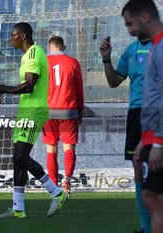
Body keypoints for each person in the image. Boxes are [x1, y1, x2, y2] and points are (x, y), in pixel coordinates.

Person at [0, 22, 67, 219]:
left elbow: (30, 85)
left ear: (23, 36)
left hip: (34, 111)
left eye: (13, 35)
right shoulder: (26, 56)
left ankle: (56, 193)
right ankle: (18, 208)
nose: (10, 39)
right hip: (26, 111)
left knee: (21, 156)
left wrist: (2, 88)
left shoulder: (34, 53)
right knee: (18, 158)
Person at [100, 20, 152, 233]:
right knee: (138, 168)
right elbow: (114, 82)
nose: (130, 28)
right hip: (136, 115)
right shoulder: (131, 50)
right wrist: (106, 59)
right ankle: (145, 227)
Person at [122, 1, 163, 233]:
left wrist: (157, 141)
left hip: (159, 137)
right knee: (150, 195)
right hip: (150, 134)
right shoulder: (156, 47)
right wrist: (144, 141)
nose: (129, 30)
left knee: (155, 199)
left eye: (130, 23)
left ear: (145, 17)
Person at [42, 36, 84, 198]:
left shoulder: (43, 62)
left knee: (51, 149)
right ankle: (67, 178)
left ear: (49, 46)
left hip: (48, 111)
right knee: (69, 148)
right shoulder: (73, 63)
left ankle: (53, 187)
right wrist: (79, 111)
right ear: (64, 46)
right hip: (68, 110)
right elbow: (79, 90)